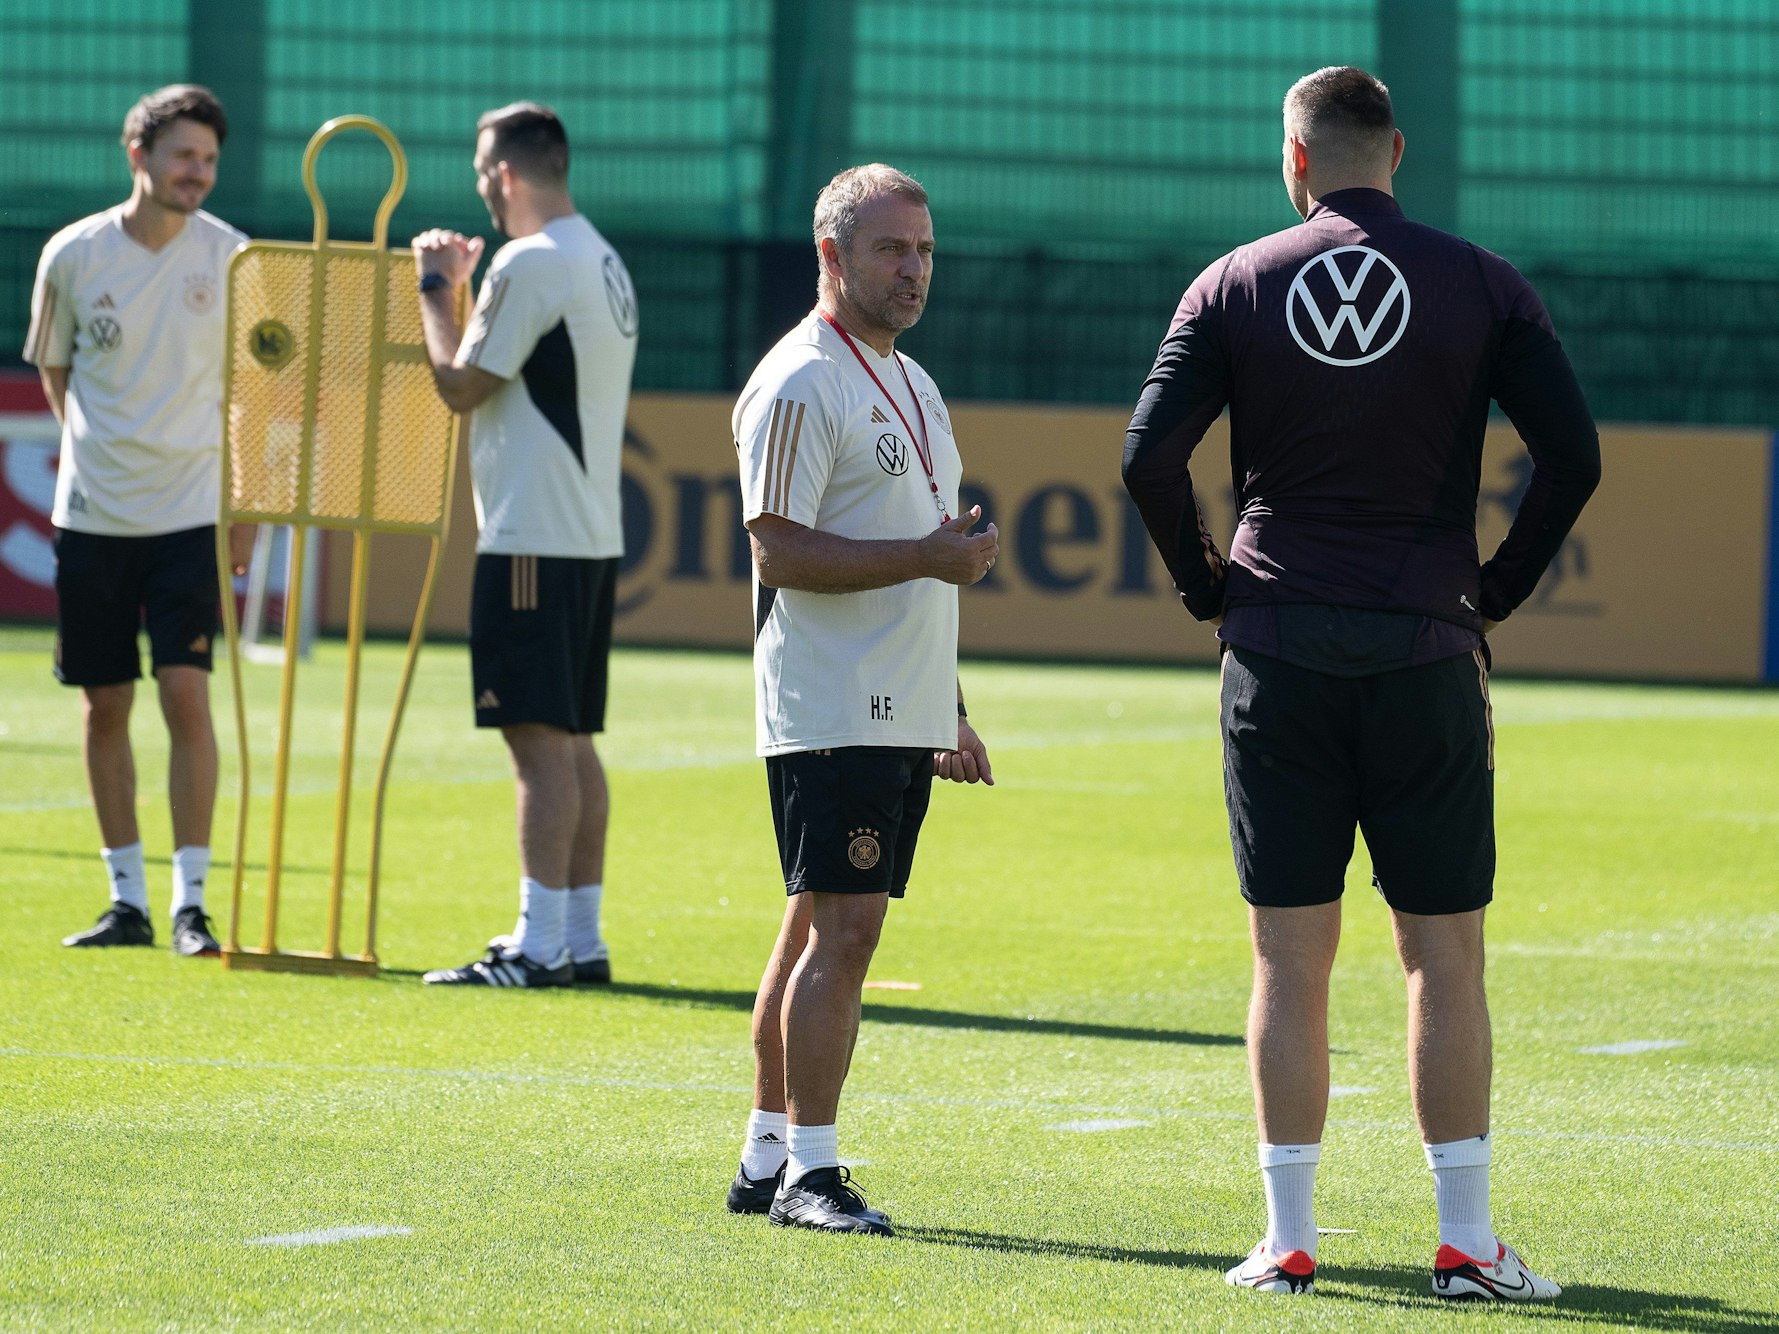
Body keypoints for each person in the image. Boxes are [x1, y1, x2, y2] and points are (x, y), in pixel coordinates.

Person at [1123, 67, 1600, 1300]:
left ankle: (1286, 1243)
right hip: (1425, 648)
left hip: (1275, 645)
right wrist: (1494, 587)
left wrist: (1206, 585)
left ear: (1293, 160)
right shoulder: (1484, 282)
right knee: (1442, 953)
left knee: (1289, 957)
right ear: (1399, 152)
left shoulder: (1232, 281)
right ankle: (1467, 1243)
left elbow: (1147, 457)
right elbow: (1574, 456)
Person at [725, 164, 998, 1236]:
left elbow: (928, 557)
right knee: (843, 932)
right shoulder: (800, 378)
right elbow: (776, 548)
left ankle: (764, 1157)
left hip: (895, 701)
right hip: (830, 701)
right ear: (831, 254)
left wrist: (948, 703)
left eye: (925, 249)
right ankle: (813, 1172)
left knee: (810, 933)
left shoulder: (912, 381)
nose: (915, 268)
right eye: (892, 248)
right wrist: (928, 558)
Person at [412, 102, 638, 988]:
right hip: (584, 532)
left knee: (538, 743)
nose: (479, 186)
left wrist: (436, 288)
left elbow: (462, 385)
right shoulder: (599, 256)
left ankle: (538, 944)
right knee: (572, 738)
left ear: (505, 174)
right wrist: (472, 296)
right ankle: (579, 939)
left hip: (532, 535)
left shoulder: (533, 261)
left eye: (481, 171)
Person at [25, 85, 251, 958]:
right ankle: (128, 902)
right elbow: (55, 368)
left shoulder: (233, 258)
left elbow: (255, 394)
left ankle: (192, 902)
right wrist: (96, 444)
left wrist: (245, 513)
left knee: (186, 694)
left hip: (192, 514)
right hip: (93, 517)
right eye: (184, 155)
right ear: (140, 157)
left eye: (209, 160)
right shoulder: (73, 255)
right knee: (104, 702)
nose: (198, 173)